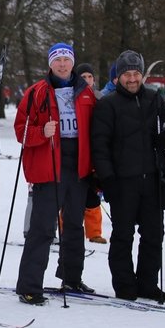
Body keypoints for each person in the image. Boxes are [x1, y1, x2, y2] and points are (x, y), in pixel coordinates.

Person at [91, 50, 165, 302]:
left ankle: (147, 283)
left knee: (154, 234)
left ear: (142, 75)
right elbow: (99, 147)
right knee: (123, 235)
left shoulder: (154, 98)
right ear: (118, 77)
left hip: (153, 178)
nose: (132, 79)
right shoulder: (108, 105)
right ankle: (125, 285)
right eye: (127, 74)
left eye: (136, 73)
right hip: (123, 181)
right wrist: (108, 180)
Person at [14, 42, 96, 305]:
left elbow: (97, 129)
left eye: (66, 60)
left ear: (73, 63)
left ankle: (71, 277)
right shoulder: (36, 92)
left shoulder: (85, 92)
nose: (62, 64)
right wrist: (41, 133)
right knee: (43, 227)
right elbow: (20, 131)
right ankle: (29, 285)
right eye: (57, 60)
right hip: (49, 164)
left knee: (74, 224)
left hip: (78, 164)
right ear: (50, 64)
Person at [75, 63, 107, 245]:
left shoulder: (101, 99)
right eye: (83, 77)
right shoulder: (72, 97)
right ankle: (66, 229)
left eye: (89, 77)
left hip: (95, 153)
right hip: (78, 152)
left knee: (93, 196)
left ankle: (94, 232)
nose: (86, 80)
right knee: (72, 198)